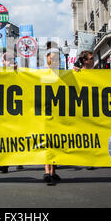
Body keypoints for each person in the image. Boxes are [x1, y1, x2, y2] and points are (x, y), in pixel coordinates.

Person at [0, 52, 23, 173]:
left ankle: (17, 160)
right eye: (7, 59)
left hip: (17, 110)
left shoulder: (21, 72)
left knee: (16, 136)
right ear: (3, 62)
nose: (10, 61)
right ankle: (4, 162)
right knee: (3, 137)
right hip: (2, 110)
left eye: (12, 59)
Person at [43, 47, 62, 185]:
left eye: (56, 58)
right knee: (47, 144)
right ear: (47, 58)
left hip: (58, 113)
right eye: (52, 57)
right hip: (45, 113)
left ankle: (53, 171)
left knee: (56, 143)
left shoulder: (62, 73)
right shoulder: (41, 73)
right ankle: (47, 172)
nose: (54, 59)